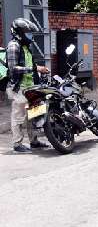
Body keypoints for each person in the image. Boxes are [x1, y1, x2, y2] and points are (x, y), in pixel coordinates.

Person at [6, 18, 50, 153]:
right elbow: (13, 68)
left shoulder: (25, 46)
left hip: (31, 87)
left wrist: (39, 70)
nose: (29, 34)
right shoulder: (14, 46)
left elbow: (30, 65)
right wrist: (35, 69)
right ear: (19, 32)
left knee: (34, 114)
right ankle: (17, 144)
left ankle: (34, 141)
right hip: (19, 88)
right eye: (27, 31)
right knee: (18, 117)